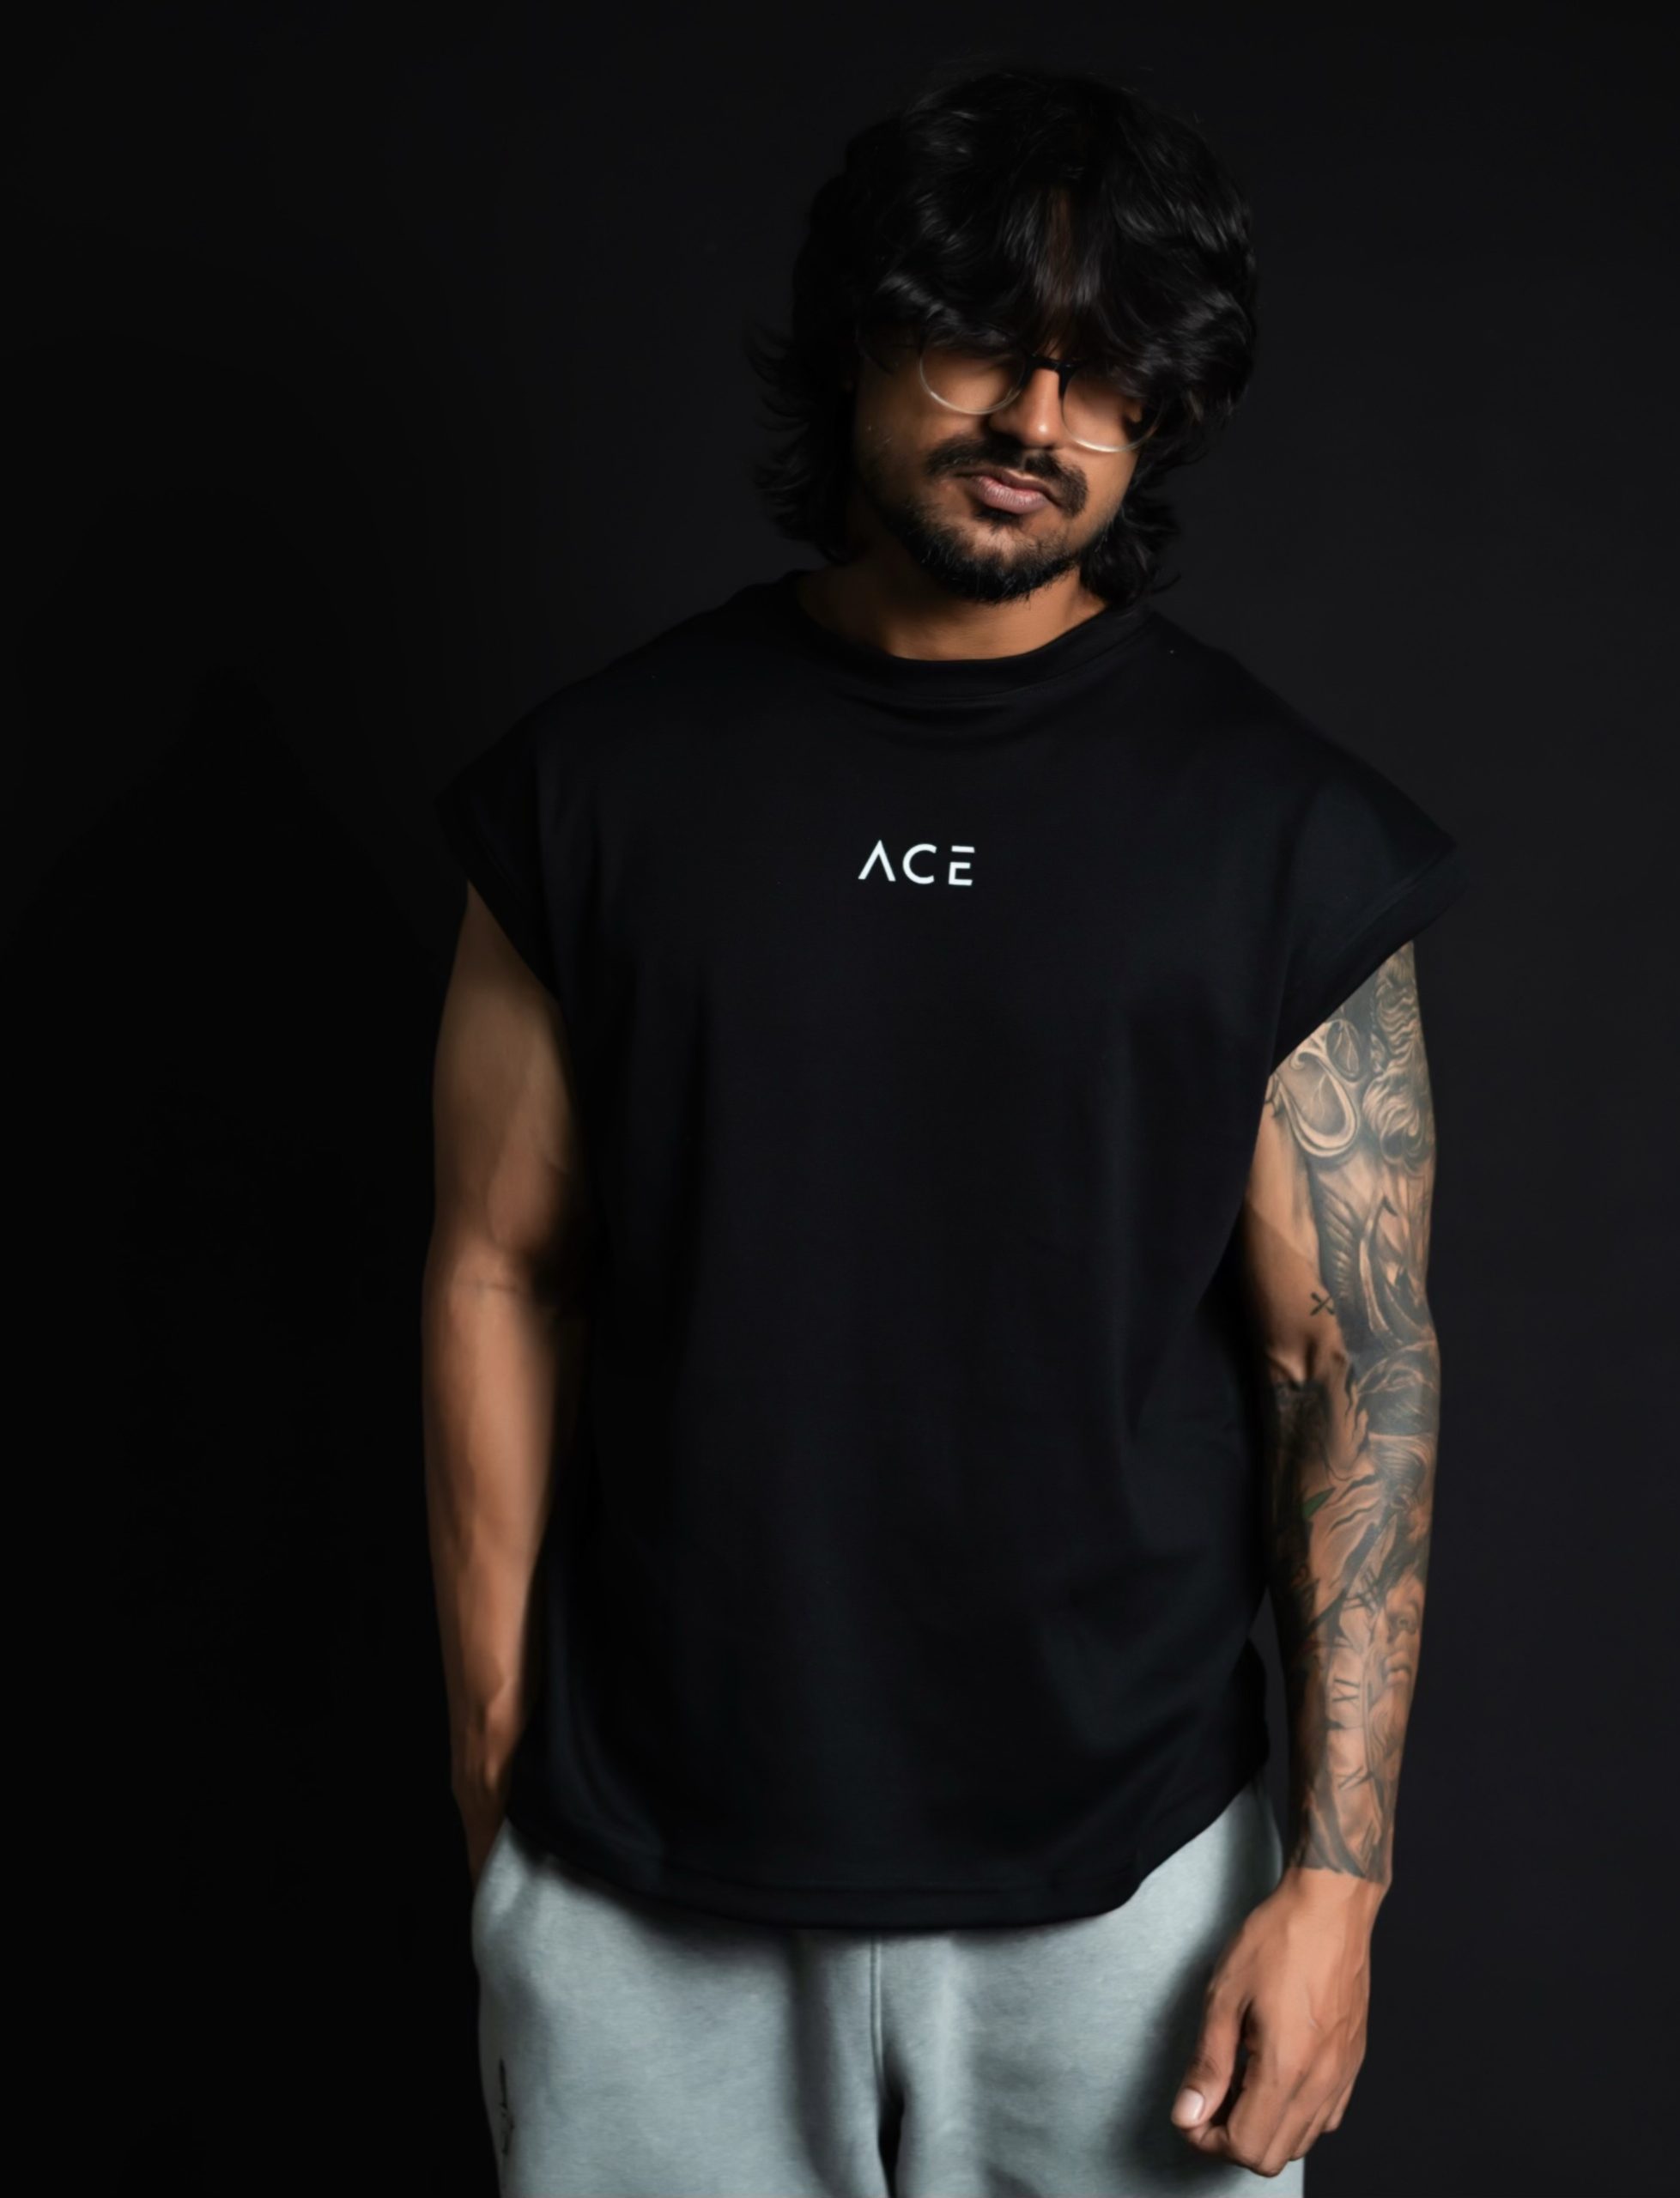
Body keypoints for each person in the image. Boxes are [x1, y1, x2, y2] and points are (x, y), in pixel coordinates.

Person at [423, 61, 1469, 2198]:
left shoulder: (1278, 830)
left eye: (1110, 370)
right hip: (643, 1869)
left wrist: (1335, 1876)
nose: (1039, 415)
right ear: (858, 337)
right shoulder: (600, 785)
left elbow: (1349, 1353)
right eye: (987, 336)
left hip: (1136, 1881)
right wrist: (498, 1760)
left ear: (1165, 413)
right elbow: (498, 1265)